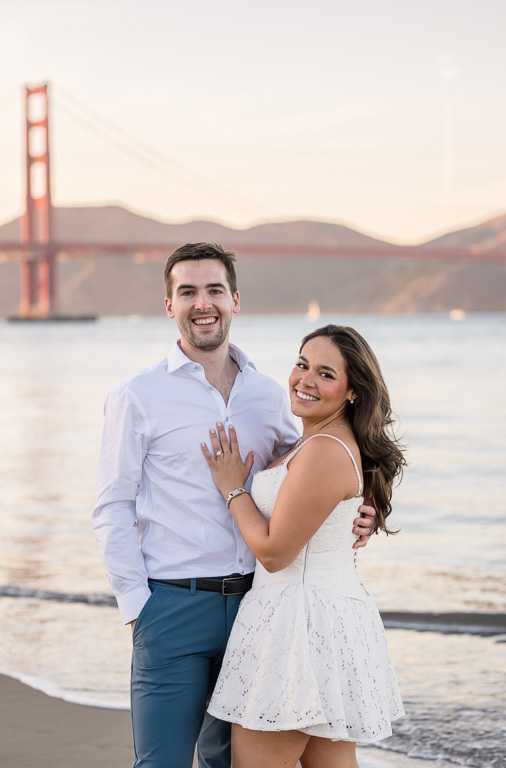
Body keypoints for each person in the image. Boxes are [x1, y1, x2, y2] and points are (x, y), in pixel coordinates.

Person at [92, 243, 377, 768]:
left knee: (231, 762)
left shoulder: (269, 394)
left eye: (214, 290)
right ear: (169, 304)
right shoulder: (138, 395)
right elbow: (112, 506)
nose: (203, 303)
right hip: (173, 607)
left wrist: (361, 508)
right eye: (188, 292)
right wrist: (137, 606)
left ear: (235, 300)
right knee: (162, 763)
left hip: (257, 608)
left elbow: (301, 474)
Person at [202, 324, 406, 768]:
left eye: (325, 373)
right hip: (325, 618)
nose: (305, 380)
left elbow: (274, 554)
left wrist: (233, 488)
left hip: (296, 624)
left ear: (353, 391)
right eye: (301, 364)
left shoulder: (323, 450)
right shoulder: (317, 443)